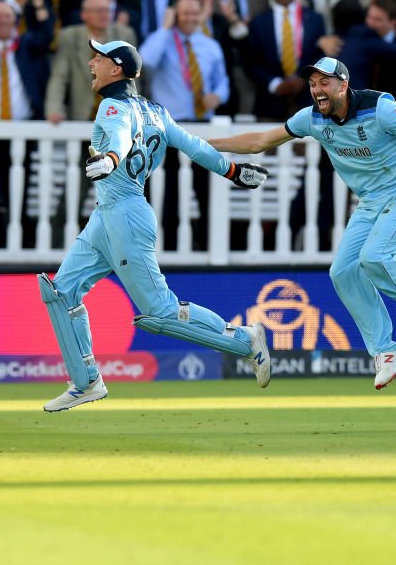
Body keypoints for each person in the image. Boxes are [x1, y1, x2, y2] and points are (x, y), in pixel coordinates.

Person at [209, 56, 396, 389]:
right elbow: (260, 141)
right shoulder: (311, 119)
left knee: (374, 258)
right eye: (312, 84)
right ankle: (385, 349)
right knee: (342, 271)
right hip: (370, 203)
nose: (316, 90)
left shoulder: (380, 108)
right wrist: (202, 145)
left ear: (343, 84)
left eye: (324, 83)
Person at [37, 39, 271, 411]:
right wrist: (232, 171)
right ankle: (86, 382)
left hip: (125, 215)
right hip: (111, 213)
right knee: (62, 290)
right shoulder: (156, 111)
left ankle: (245, 340)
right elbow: (194, 145)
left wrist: (111, 158)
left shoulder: (112, 106)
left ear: (116, 69)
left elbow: (120, 138)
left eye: (97, 58)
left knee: (160, 310)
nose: (90, 63)